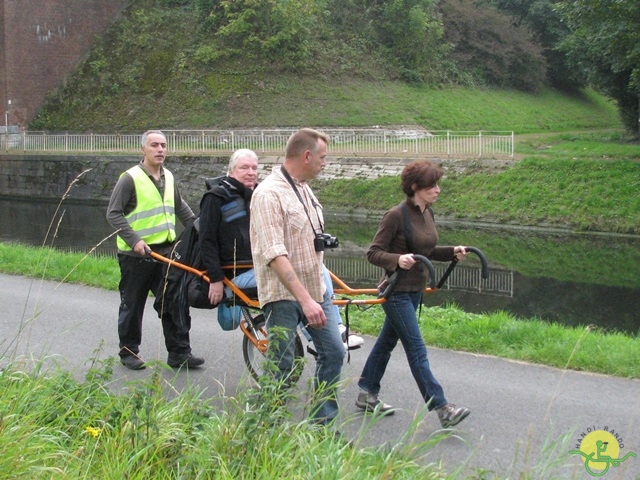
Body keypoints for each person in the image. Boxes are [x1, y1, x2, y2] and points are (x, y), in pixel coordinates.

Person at [199, 148, 364, 351]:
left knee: (314, 269)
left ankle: (328, 332)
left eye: (254, 167)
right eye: (244, 167)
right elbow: (206, 241)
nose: (251, 172)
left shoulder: (261, 194)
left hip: (264, 266)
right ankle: (327, 332)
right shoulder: (215, 198)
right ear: (231, 170)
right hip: (237, 274)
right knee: (302, 276)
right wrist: (216, 280)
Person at [355, 160, 471, 428]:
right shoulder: (396, 215)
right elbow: (373, 253)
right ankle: (442, 407)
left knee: (386, 342)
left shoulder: (427, 213)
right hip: (396, 293)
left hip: (414, 290)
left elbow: (426, 251)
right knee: (417, 349)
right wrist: (398, 259)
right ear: (416, 187)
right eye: (433, 185)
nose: (438, 190)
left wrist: (452, 251)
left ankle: (367, 393)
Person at [249, 128, 345, 424]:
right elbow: (275, 254)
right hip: (284, 296)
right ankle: (264, 428)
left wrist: (319, 293)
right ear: (306, 156)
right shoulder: (267, 194)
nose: (325, 163)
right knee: (282, 364)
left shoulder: (302, 186)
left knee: (334, 352)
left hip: (315, 290)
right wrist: (306, 301)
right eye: (323, 157)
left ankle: (322, 426)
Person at [106, 130, 205, 370]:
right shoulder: (129, 179)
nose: (160, 149)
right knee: (133, 304)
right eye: (154, 145)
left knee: (173, 302)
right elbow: (113, 213)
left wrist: (198, 229)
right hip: (136, 256)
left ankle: (179, 353)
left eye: (163, 145)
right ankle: (129, 352)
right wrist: (135, 240)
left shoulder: (169, 177)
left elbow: (179, 206)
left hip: (167, 253)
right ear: (143, 149)